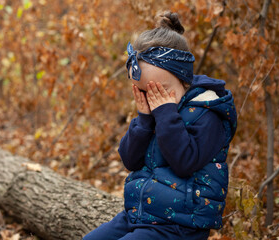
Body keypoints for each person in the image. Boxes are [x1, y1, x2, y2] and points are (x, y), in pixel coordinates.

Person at [83, 11, 237, 240]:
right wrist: (144, 120)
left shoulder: (207, 113)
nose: (153, 98)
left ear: (184, 80)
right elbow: (130, 160)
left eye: (159, 90)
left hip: (179, 223)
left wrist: (166, 115)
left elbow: (185, 162)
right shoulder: (155, 111)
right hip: (140, 214)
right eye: (144, 91)